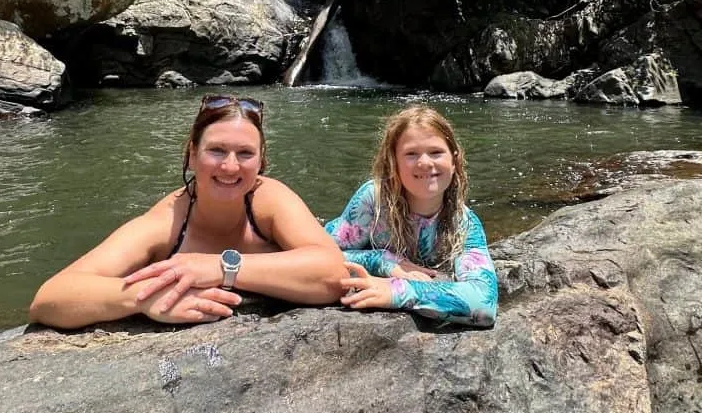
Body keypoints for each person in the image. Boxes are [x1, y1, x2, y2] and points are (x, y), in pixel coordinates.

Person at [29, 95, 346, 329]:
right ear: (192, 155)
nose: (230, 166)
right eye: (217, 151)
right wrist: (145, 298)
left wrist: (221, 267)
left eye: (245, 153)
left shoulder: (269, 199)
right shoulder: (164, 223)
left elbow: (333, 273)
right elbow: (50, 298)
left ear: (261, 162)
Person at [326, 105, 498, 326]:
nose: (425, 163)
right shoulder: (373, 200)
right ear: (393, 164)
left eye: (436, 152)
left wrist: (397, 292)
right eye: (411, 154)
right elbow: (324, 255)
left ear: (454, 161)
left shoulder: (465, 224)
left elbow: (484, 302)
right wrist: (383, 260)